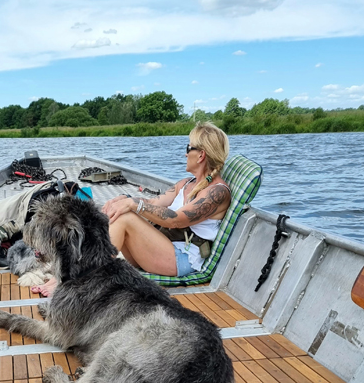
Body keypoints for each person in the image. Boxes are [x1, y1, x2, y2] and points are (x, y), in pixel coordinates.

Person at [30, 121, 230, 295]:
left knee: (126, 218)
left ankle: (75, 280)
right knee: (121, 211)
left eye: (188, 148)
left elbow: (176, 219)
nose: (185, 153)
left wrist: (134, 205)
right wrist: (124, 199)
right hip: (161, 251)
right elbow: (153, 203)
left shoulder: (217, 192)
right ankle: (75, 272)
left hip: (182, 259)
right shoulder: (185, 184)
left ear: (201, 155)